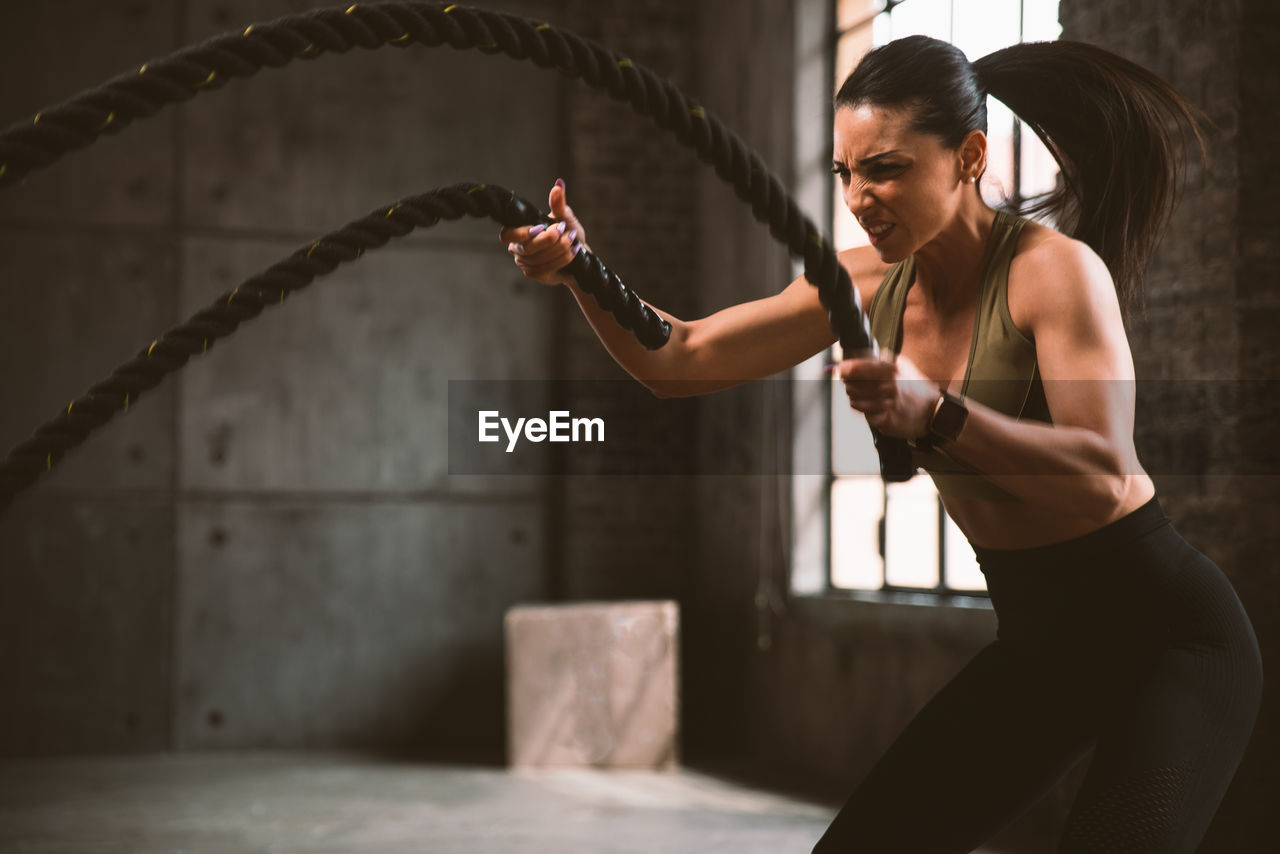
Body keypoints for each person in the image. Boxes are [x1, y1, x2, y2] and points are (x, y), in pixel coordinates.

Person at [499, 35, 1262, 854]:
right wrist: (582, 270)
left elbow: (1103, 477)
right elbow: (679, 361)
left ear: (968, 156)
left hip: (1170, 639)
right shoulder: (856, 284)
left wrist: (937, 413)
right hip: (1044, 649)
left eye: (886, 168)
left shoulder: (1053, 273)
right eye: (846, 173)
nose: (860, 197)